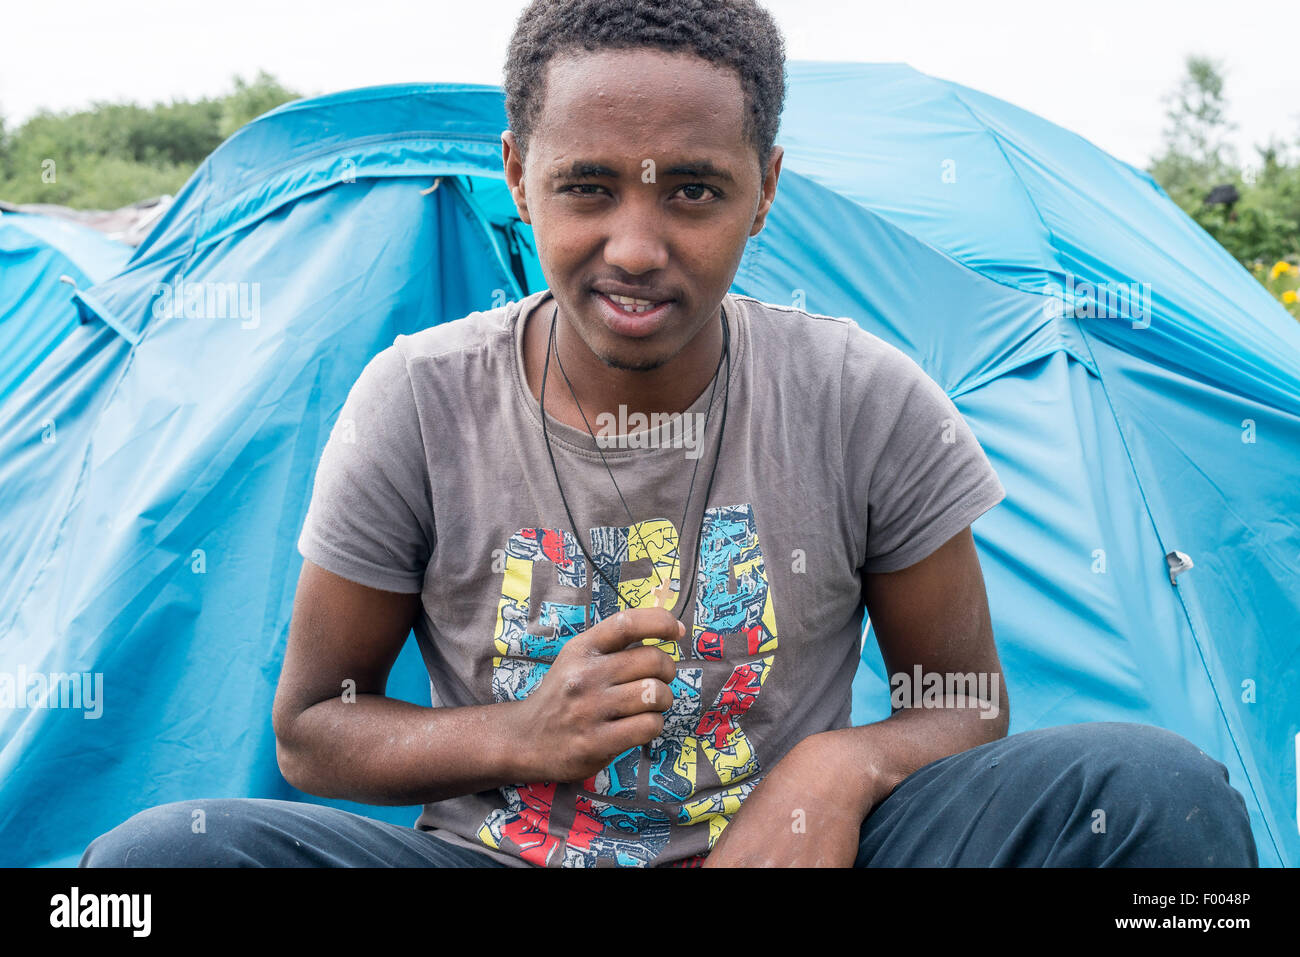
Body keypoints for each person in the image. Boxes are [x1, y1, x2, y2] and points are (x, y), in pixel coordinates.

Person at [80, 0, 1257, 868]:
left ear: (766, 189)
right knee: (146, 871)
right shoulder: (418, 398)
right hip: (500, 860)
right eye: (589, 185)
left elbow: (961, 697)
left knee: (1150, 786)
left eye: (691, 190)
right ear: (518, 178)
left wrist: (830, 773)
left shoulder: (861, 394)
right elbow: (312, 733)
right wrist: (523, 732)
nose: (636, 246)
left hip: (794, 855)